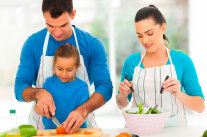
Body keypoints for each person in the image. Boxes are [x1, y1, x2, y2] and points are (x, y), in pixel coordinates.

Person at [15, 0, 113, 133]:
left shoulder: (92, 44)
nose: (57, 32)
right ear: (44, 16)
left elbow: (105, 87)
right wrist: (39, 93)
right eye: (50, 25)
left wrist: (83, 111)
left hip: (83, 128)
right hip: (41, 130)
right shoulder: (33, 44)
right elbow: (19, 88)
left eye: (63, 25)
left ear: (73, 14)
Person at [116, 5, 205, 127]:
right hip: (138, 130)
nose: (145, 40)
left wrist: (179, 94)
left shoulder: (182, 60)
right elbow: (121, 104)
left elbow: (200, 106)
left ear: (163, 27)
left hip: (173, 131)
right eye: (140, 35)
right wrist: (122, 94)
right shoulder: (131, 62)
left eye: (150, 33)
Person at [35, 44, 89, 129]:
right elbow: (37, 109)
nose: (64, 74)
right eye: (59, 69)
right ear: (54, 64)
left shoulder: (82, 87)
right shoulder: (49, 83)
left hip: (77, 133)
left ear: (77, 67)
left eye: (69, 70)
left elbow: (85, 113)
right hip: (52, 133)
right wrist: (41, 109)